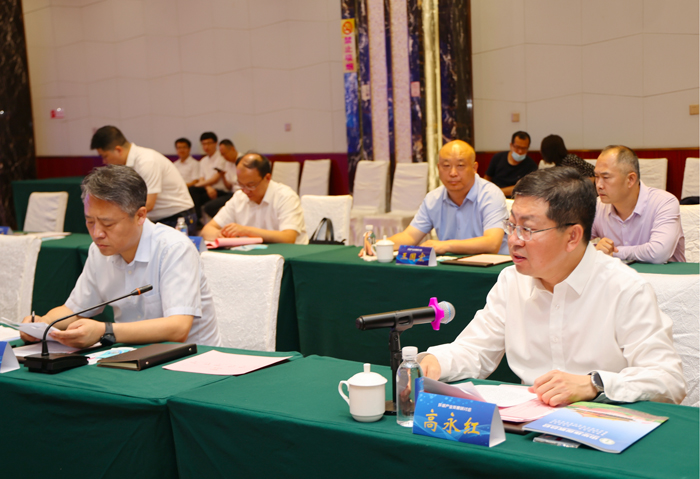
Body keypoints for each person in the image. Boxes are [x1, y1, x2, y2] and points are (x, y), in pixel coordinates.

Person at [419, 167, 685, 406]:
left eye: (528, 229)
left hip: (603, 423)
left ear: (572, 236)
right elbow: (475, 350)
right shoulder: (512, 280)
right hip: (529, 422)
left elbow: (668, 380)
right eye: (511, 225)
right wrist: (433, 362)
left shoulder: (624, 288)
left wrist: (594, 384)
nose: (514, 240)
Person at [20, 165, 221, 348]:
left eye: (108, 224)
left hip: (192, 361)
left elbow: (178, 328)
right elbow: (74, 310)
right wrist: (43, 323)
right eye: (90, 222)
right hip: (133, 357)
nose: (97, 233)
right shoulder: (98, 251)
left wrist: (105, 330)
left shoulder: (174, 248)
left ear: (140, 216)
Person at [386, 140, 508, 255]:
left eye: (460, 165)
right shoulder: (433, 199)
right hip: (450, 264)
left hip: (491, 266)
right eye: (446, 166)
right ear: (438, 168)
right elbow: (410, 236)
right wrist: (381, 244)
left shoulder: (490, 195)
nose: (453, 173)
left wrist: (445, 245)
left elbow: (492, 243)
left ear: (474, 168)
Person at [90, 126, 196, 234]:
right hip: (157, 219)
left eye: (105, 156)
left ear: (118, 150)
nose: (104, 161)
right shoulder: (128, 165)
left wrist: (113, 216)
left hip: (178, 219)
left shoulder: (147, 161)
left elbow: (148, 204)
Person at [592, 145, 685, 263]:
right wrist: (595, 250)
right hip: (618, 275)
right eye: (596, 177)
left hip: (664, 274)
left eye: (606, 177)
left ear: (630, 179)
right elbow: (574, 246)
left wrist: (613, 252)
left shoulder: (664, 202)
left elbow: (659, 253)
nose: (599, 185)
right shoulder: (597, 206)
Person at [201, 152, 308, 244]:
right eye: (241, 184)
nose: (246, 191)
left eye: (251, 185)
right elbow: (207, 230)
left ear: (267, 178)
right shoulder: (239, 197)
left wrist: (246, 231)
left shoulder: (285, 196)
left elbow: (288, 238)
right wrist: (220, 235)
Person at [188, 132, 227, 224]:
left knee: (193, 190)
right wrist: (208, 187)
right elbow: (201, 178)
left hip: (220, 190)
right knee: (191, 194)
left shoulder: (222, 158)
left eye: (209, 143)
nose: (206, 146)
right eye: (204, 144)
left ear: (216, 143)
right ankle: (197, 220)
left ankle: (198, 220)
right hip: (208, 190)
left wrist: (205, 186)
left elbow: (215, 179)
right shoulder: (203, 160)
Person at [484, 131, 538, 197]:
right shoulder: (498, 158)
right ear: (511, 145)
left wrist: (497, 192)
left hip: (515, 199)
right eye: (517, 147)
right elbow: (487, 178)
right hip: (493, 196)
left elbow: (524, 188)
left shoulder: (531, 165)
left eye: (524, 148)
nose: (520, 151)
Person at [202, 139, 240, 219]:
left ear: (232, 149)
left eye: (224, 154)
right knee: (209, 207)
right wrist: (223, 176)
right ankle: (225, 221)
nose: (224, 157)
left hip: (242, 193)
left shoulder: (243, 161)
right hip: (232, 193)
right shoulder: (227, 163)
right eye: (222, 155)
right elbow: (229, 187)